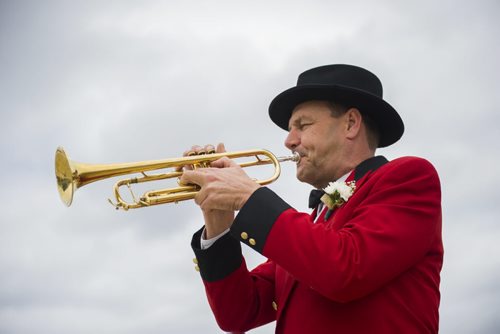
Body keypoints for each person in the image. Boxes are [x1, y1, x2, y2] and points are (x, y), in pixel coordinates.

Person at [181, 64, 443, 333]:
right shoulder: (311, 227)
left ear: (351, 124)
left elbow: (345, 270)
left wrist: (248, 196)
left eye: (302, 125)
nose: (289, 141)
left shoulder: (410, 177)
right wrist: (218, 217)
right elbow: (237, 313)